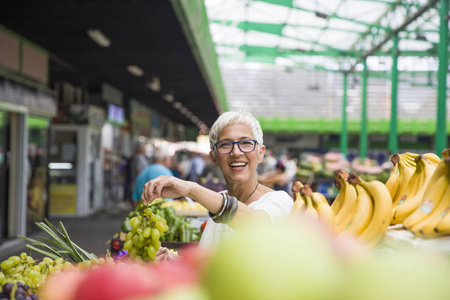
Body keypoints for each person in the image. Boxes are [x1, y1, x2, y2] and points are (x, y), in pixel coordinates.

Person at [140, 110, 293, 248]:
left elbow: (256, 225)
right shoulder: (216, 206)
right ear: (214, 158)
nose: (236, 152)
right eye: (225, 145)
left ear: (260, 153)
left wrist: (192, 189)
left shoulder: (278, 201)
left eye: (246, 143)